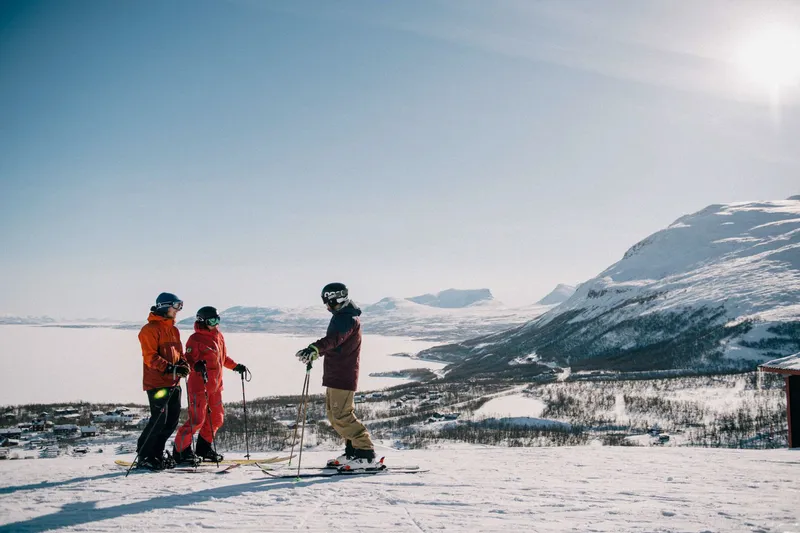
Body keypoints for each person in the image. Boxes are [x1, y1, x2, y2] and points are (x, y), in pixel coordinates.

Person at [295, 282, 379, 470]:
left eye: (329, 303)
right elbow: (336, 344)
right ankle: (353, 452)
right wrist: (316, 353)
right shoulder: (342, 317)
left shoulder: (346, 319)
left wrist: (315, 348)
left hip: (343, 374)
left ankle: (366, 454)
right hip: (336, 373)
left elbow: (334, 339)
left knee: (342, 415)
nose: (327, 307)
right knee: (335, 416)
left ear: (339, 300)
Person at [173, 306, 249, 464]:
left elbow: (223, 358)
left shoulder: (219, 336)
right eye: (212, 321)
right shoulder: (195, 339)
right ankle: (180, 451)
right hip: (199, 386)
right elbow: (187, 360)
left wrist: (235, 366)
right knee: (197, 420)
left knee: (217, 418)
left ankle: (203, 448)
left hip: (215, 386)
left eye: (218, 320)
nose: (216, 324)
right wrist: (196, 365)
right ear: (202, 321)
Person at [136, 292, 190, 470]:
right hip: (157, 383)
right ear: (165, 306)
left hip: (174, 383)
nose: (177, 311)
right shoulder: (149, 330)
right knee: (159, 420)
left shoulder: (173, 330)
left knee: (172, 421)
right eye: (175, 307)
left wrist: (183, 364)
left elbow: (179, 354)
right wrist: (171, 368)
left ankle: (156, 454)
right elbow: (150, 357)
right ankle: (144, 455)